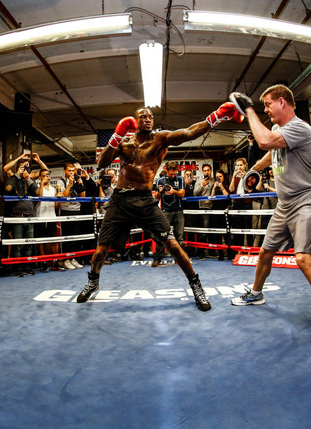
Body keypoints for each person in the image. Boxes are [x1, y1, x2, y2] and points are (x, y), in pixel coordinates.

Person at [76, 103, 243, 311]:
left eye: (150, 117)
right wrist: (116, 136)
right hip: (120, 200)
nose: (148, 119)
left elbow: (189, 133)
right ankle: (93, 281)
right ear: (135, 121)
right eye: (143, 117)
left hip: (145, 200)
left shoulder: (160, 138)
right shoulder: (125, 142)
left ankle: (196, 286)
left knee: (173, 245)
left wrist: (215, 117)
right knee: (101, 250)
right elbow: (102, 163)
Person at [228, 86, 311, 342]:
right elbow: (273, 150)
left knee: (303, 259)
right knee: (265, 251)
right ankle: (257, 293)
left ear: (283, 102)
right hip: (285, 202)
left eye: (268, 105)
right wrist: (255, 168)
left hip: (307, 200)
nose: (266, 110)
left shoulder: (300, 128)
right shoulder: (280, 130)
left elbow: (265, 141)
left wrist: (249, 110)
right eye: (262, 107)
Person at [152, 160, 186, 267]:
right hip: (166, 211)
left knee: (179, 236)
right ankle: (157, 258)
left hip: (178, 210)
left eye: (174, 173)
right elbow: (156, 197)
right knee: (162, 235)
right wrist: (160, 192)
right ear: (166, 170)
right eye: (171, 173)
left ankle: (178, 258)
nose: (173, 175)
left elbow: (182, 194)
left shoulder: (180, 179)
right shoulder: (160, 180)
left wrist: (173, 191)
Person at [192, 164, 215, 260]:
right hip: (203, 207)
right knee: (203, 232)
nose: (206, 172)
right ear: (202, 172)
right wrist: (202, 185)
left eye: (208, 170)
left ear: (210, 171)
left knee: (213, 231)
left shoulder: (214, 180)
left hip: (214, 208)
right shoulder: (199, 181)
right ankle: (202, 253)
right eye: (205, 170)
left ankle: (212, 251)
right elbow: (195, 193)